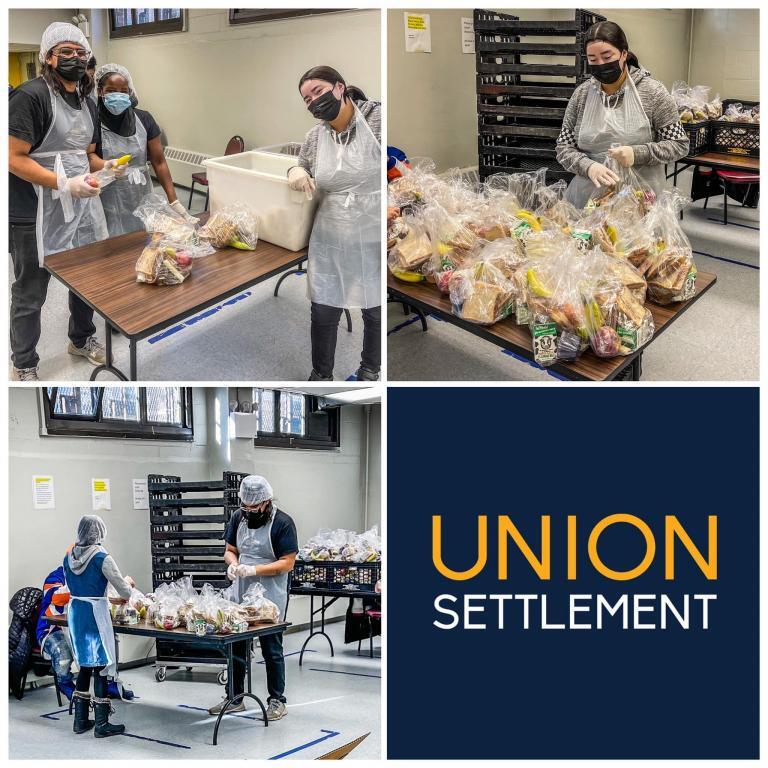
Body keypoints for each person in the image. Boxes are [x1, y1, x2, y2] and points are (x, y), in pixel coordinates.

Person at [9, 22, 115, 381]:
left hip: (80, 207)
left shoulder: (87, 102)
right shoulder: (30, 97)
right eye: (65, 51)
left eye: (80, 52)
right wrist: (63, 183)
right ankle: (24, 363)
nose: (74, 57)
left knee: (87, 280)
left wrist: (106, 168)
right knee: (31, 293)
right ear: (49, 57)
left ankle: (81, 339)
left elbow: (85, 153)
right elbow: (13, 157)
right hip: (33, 212)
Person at [288, 66, 381, 382]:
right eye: (306, 98)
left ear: (340, 87)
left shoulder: (378, 119)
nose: (313, 100)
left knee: (375, 306)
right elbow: (301, 165)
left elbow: (401, 167)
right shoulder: (314, 136)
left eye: (318, 91)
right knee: (324, 306)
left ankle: (370, 369)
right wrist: (295, 172)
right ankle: (321, 374)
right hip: (330, 232)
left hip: (373, 229)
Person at [556, 21, 689, 208]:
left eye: (607, 56)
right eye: (593, 60)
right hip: (587, 202)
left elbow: (679, 145)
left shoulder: (653, 92)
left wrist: (637, 153)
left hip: (641, 202)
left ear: (624, 54)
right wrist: (588, 166)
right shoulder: (582, 95)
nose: (600, 64)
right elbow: (563, 147)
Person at [208, 476, 298, 720]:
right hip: (241, 591)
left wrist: (255, 570)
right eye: (245, 507)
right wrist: (234, 564)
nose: (248, 511)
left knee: (272, 648)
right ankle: (234, 697)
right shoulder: (238, 518)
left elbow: (288, 563)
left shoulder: (283, 523)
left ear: (266, 502)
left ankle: (277, 700)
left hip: (270, 596)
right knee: (236, 646)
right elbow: (230, 550)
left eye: (253, 507)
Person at [94, 63, 188, 237]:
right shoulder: (93, 120)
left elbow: (159, 162)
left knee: (142, 238)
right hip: (107, 197)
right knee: (111, 243)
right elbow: (88, 158)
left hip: (140, 194)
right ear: (100, 91)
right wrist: (106, 166)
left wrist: (173, 200)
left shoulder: (143, 119)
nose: (118, 95)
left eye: (123, 91)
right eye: (111, 90)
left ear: (130, 92)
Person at [63, 515, 133, 738]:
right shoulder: (102, 557)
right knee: (101, 664)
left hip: (76, 612)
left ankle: (80, 720)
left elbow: (76, 586)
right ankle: (102, 723)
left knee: (85, 664)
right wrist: (127, 583)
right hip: (94, 614)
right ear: (99, 532)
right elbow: (125, 592)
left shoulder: (68, 557)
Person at [35, 559, 133, 703]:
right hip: (51, 629)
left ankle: (110, 681)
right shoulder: (54, 578)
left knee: (110, 639)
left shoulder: (90, 577)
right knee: (62, 648)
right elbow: (58, 597)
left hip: (79, 626)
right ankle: (65, 683)